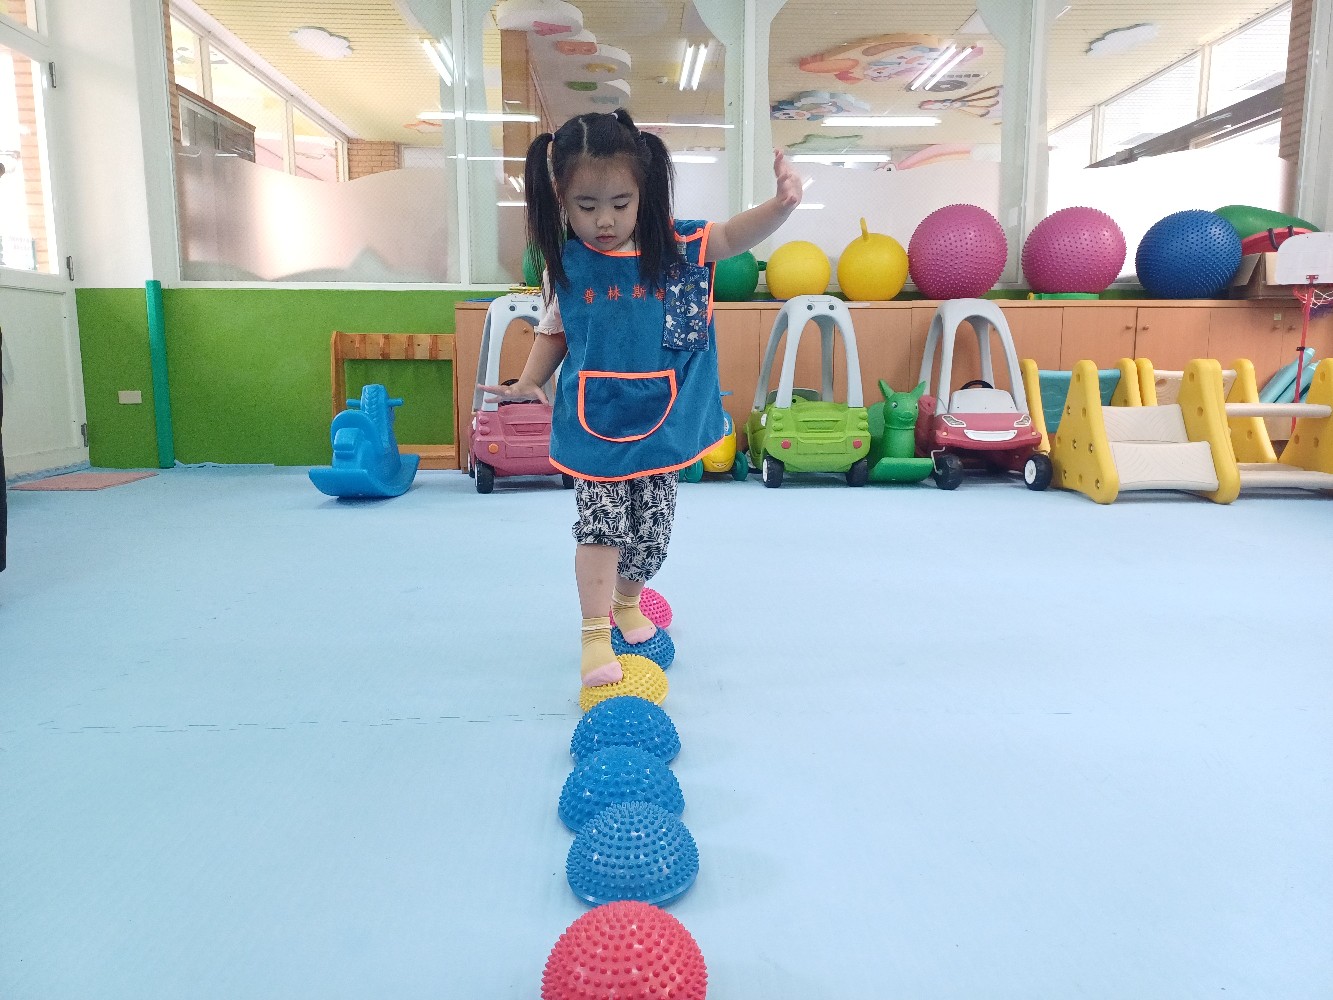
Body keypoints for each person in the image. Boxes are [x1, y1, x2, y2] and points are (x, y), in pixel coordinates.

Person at [481, 109, 802, 687]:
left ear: (644, 192)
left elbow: (732, 237)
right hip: (597, 421)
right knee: (601, 527)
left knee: (651, 536)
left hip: (663, 417)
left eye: (620, 203)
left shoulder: (676, 249)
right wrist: (528, 381)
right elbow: (556, 330)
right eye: (586, 206)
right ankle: (592, 635)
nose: (604, 220)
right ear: (561, 198)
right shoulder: (568, 263)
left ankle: (627, 602)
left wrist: (779, 208)